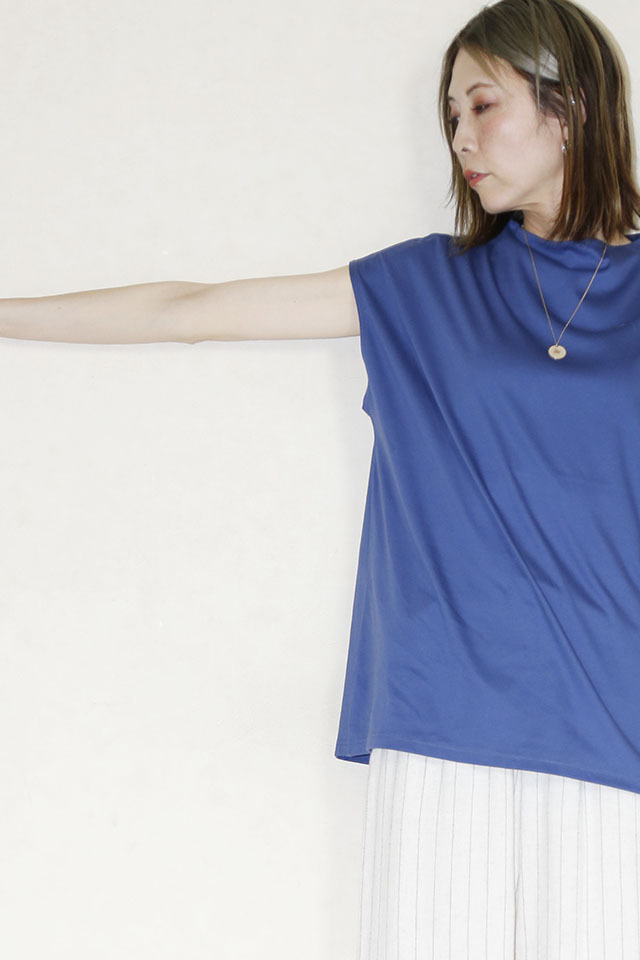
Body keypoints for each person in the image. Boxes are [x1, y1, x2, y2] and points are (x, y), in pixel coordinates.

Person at [1, 0, 639, 957]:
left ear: (572, 106)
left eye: (481, 104)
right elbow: (189, 311)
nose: (460, 138)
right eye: (450, 116)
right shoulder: (425, 287)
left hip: (618, 727)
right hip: (442, 719)